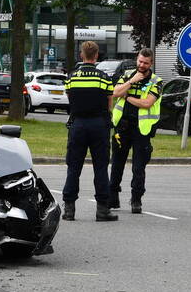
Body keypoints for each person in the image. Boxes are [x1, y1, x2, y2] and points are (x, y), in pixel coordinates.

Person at [60, 40, 118, 222]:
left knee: (73, 167)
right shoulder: (104, 78)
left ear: (81, 55)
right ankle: (102, 209)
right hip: (98, 125)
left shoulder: (72, 77)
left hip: (78, 125)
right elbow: (110, 102)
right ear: (97, 55)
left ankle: (69, 209)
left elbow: (70, 98)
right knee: (100, 167)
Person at [109, 48, 163, 213]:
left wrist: (127, 97)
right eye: (140, 61)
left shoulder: (156, 81)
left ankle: (136, 199)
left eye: (145, 63)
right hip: (122, 127)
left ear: (151, 63)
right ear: (136, 60)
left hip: (141, 129)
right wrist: (131, 82)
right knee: (117, 163)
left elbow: (147, 103)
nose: (142, 65)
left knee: (138, 167)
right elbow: (115, 92)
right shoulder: (127, 75)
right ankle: (113, 198)